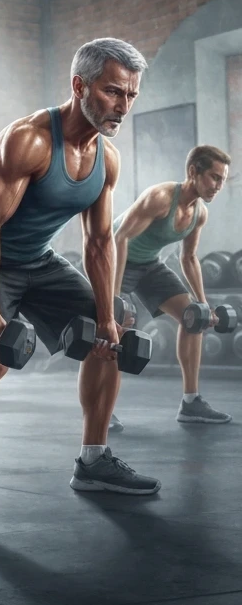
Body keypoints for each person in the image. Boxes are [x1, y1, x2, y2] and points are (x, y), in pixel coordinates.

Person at [0, 38, 160, 528]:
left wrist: (104, 315)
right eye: (113, 92)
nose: (123, 106)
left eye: (131, 95)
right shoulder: (29, 141)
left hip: (36, 260)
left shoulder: (105, 160)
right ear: (80, 86)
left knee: (109, 335)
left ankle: (94, 460)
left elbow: (99, 243)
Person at [114, 145, 232, 425]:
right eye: (214, 177)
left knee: (195, 319)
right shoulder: (160, 198)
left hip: (150, 264)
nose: (218, 186)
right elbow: (117, 239)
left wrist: (203, 303)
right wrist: (113, 297)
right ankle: (100, 410)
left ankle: (191, 403)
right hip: (116, 257)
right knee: (109, 328)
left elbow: (189, 257)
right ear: (194, 172)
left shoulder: (199, 213)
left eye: (222, 180)